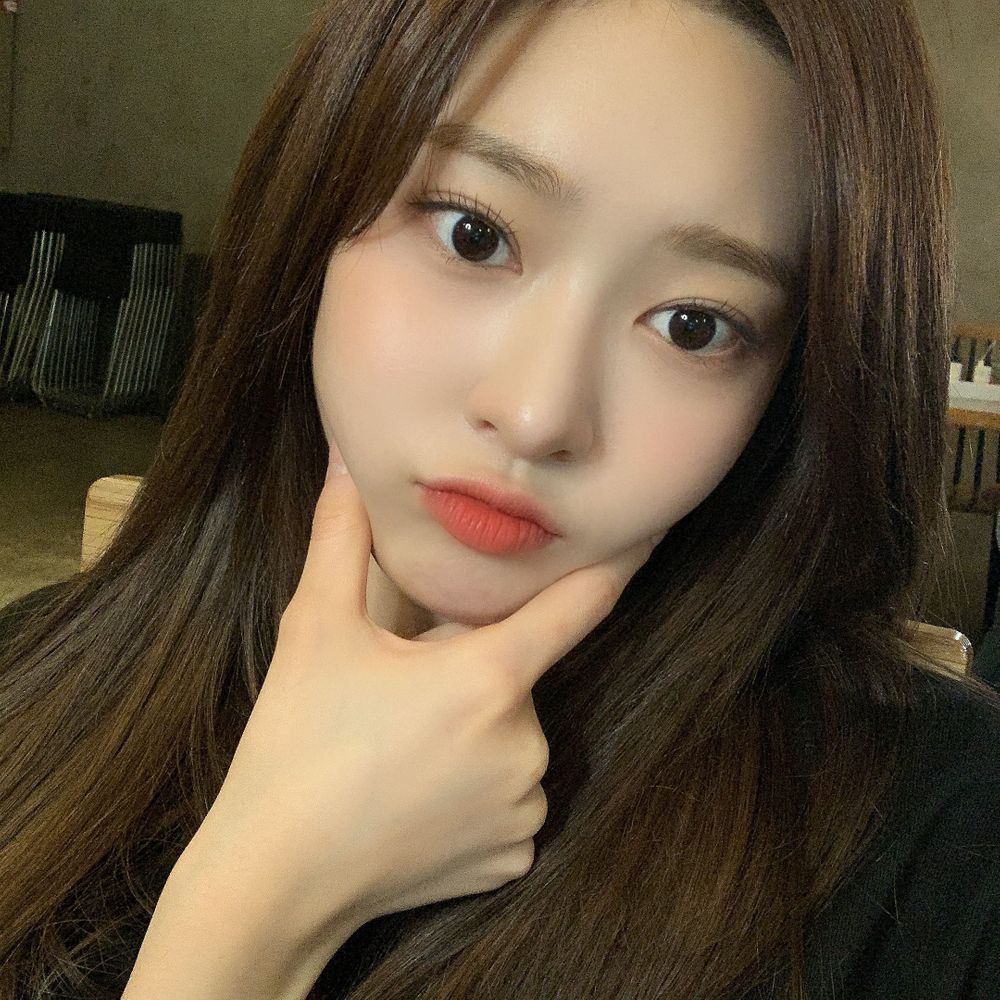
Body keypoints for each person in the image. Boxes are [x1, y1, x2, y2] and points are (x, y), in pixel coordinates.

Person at [1, 0, 998, 997]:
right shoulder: (34, 677)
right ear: (310, 211)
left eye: (693, 325)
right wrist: (266, 891)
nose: (533, 413)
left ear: (789, 395)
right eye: (474, 236)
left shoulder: (946, 851)